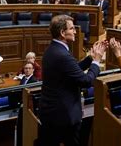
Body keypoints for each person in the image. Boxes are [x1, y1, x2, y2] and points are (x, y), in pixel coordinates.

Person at [39, 15, 106, 146]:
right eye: (72, 28)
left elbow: (71, 71)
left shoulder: (53, 49)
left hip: (52, 113)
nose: (75, 31)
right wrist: (97, 62)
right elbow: (86, 81)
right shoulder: (62, 55)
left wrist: (90, 58)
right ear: (63, 33)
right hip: (63, 116)